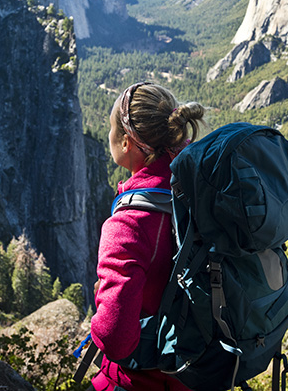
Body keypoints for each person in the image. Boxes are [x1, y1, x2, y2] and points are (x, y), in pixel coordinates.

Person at [89, 82, 205, 391]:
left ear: (126, 142)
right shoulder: (199, 185)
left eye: (112, 128)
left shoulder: (130, 223)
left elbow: (116, 340)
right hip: (202, 374)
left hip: (145, 382)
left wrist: (101, 303)